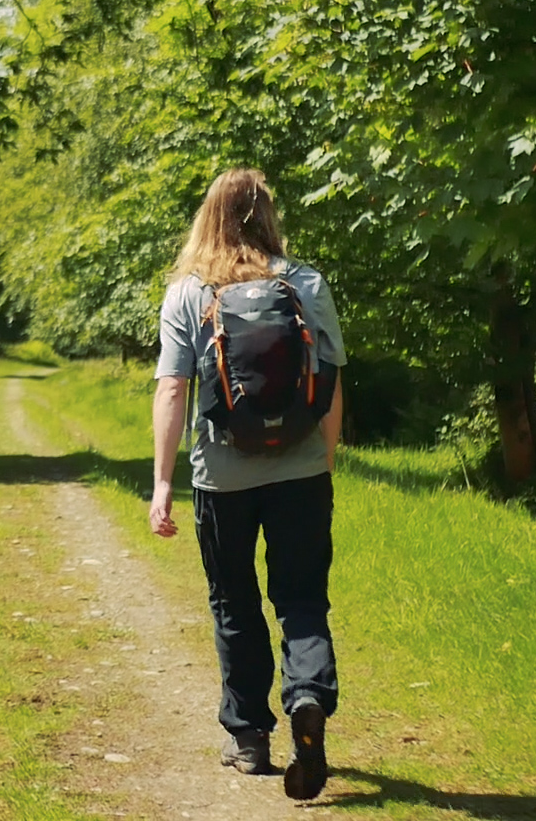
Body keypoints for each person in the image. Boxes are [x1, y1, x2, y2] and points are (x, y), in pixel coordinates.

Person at [147, 167, 345, 801]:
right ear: (269, 217)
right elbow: (332, 379)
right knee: (302, 596)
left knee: (234, 599)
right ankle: (308, 695)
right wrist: (324, 459)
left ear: (208, 216)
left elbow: (174, 387)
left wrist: (161, 481)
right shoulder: (305, 281)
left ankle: (250, 737)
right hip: (301, 470)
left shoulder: (187, 292)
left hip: (222, 476)